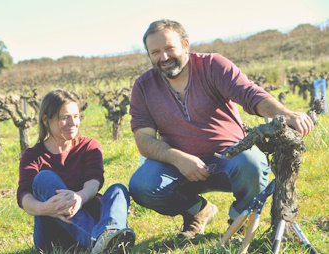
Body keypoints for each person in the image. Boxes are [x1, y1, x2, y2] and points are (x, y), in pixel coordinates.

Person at [128, 19, 314, 239]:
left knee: (253, 164)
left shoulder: (212, 66)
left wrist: (286, 114)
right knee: (141, 185)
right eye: (156, 52)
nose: (164, 57)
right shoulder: (144, 86)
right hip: (180, 167)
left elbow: (250, 93)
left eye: (170, 48)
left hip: (230, 158)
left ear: (186, 45)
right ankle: (198, 211)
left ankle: (239, 221)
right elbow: (144, 139)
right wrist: (178, 158)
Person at [17, 89, 135, 253]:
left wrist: (79, 197)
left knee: (118, 190)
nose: (73, 123)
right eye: (64, 118)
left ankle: (109, 237)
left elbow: (94, 180)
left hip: (91, 214)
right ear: (46, 120)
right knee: (43, 178)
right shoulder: (33, 155)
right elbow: (24, 196)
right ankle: (102, 242)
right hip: (53, 232)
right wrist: (45, 208)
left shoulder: (89, 146)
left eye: (76, 116)